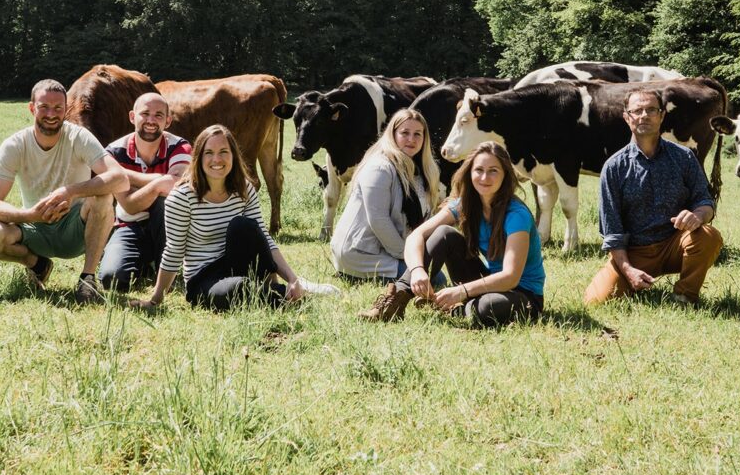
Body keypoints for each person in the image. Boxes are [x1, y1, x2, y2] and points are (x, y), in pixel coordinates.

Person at [358, 141, 545, 325]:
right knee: (443, 234)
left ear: (505, 175)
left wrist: (462, 291)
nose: (484, 177)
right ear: (470, 172)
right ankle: (394, 302)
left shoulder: (516, 215)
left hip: (522, 294)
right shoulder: (466, 204)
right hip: (487, 280)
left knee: (488, 306)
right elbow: (417, 235)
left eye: (493, 171)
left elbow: (510, 277)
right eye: (479, 170)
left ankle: (456, 307)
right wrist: (417, 270)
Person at [0, 79, 128, 303]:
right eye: (44, 107)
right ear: (32, 108)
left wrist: (70, 192)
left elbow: (120, 178)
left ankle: (87, 280)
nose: (52, 114)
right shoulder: (14, 145)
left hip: (75, 228)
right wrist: (31, 215)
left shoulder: (78, 137)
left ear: (65, 109)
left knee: (103, 196)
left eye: (58, 108)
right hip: (34, 228)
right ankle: (37, 264)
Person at [131, 125, 305, 311]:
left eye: (224, 151)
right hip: (204, 278)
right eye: (209, 153)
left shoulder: (244, 189)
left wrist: (292, 278)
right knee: (238, 288)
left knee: (244, 226)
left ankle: (283, 289)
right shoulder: (182, 197)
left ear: (233, 156)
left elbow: (262, 238)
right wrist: (155, 300)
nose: (217, 159)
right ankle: (281, 294)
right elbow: (174, 250)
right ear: (198, 157)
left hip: (237, 264)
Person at [584, 89, 723, 305]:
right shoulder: (614, 167)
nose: (644, 115)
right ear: (626, 117)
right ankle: (634, 278)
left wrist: (698, 215)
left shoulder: (684, 157)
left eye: (651, 110)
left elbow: (705, 202)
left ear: (662, 116)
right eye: (637, 110)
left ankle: (685, 295)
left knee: (708, 236)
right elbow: (612, 232)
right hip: (635, 252)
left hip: (675, 243)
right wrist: (628, 269)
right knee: (595, 301)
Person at [330, 109, 442, 282]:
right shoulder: (380, 167)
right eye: (405, 133)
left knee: (434, 273)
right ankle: (355, 275)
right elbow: (378, 219)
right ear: (393, 134)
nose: (411, 139)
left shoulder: (422, 170)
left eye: (417, 134)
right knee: (436, 279)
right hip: (361, 252)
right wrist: (407, 255)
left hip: (389, 248)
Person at [97, 92, 192, 292]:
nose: (151, 120)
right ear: (132, 117)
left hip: (170, 226)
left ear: (168, 121)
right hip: (128, 225)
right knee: (111, 280)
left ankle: (166, 269)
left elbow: (176, 185)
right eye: (145, 113)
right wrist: (161, 182)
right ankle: (144, 262)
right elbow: (129, 205)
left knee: (165, 202)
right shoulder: (114, 151)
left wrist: (125, 175)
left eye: (158, 115)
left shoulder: (179, 146)